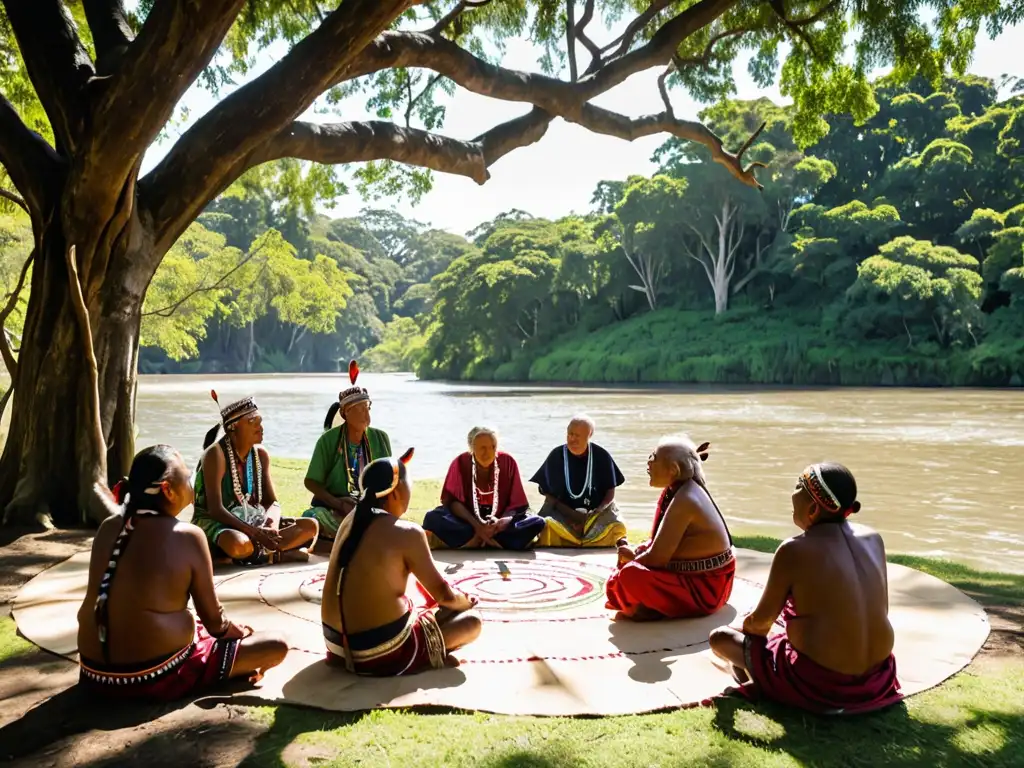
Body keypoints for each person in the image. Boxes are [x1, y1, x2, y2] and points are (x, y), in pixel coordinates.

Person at [76, 445, 288, 700]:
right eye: (187, 478)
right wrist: (240, 633)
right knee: (276, 645)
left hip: (94, 673)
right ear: (167, 489)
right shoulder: (189, 536)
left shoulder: (108, 528)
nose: (191, 483)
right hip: (151, 675)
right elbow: (215, 624)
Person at [708, 463, 902, 715]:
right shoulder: (873, 537)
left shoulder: (793, 549)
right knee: (785, 629)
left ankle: (763, 685)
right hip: (878, 677)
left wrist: (743, 625)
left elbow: (759, 624)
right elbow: (879, 609)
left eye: (799, 486)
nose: (793, 493)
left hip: (821, 684)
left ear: (813, 508)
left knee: (720, 638)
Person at [322, 448, 483, 675]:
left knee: (421, 604)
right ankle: (428, 656)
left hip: (336, 647)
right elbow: (444, 595)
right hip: (378, 653)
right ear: (396, 492)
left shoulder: (350, 520)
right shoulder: (408, 533)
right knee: (471, 622)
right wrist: (467, 600)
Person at [605, 437, 735, 621]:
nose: (649, 461)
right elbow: (658, 543)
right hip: (701, 580)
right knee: (632, 562)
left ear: (673, 469)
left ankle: (655, 609)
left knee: (628, 575)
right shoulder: (678, 491)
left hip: (707, 589)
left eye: (654, 457)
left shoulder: (686, 498)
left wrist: (632, 559)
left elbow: (657, 558)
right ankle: (651, 605)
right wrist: (638, 552)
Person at [193, 392, 318, 565]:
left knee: (310, 526)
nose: (260, 427)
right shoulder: (215, 455)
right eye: (252, 422)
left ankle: (259, 553)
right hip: (219, 523)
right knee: (238, 544)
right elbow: (215, 509)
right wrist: (256, 533)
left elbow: (272, 502)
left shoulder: (260, 454)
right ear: (233, 427)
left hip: (255, 522)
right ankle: (274, 554)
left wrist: (270, 527)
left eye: (260, 421)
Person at [302, 360, 392, 543]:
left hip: (370, 507)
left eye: (367, 408)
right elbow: (311, 482)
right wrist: (338, 503)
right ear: (344, 414)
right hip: (334, 508)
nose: (365, 415)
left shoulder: (380, 438)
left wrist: (370, 504)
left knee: (383, 524)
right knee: (314, 517)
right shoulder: (328, 441)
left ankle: (342, 541)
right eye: (358, 410)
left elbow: (390, 481)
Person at [422, 427, 546, 550]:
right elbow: (453, 501)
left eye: (493, 447)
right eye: (482, 448)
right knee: (432, 518)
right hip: (468, 521)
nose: (488, 453)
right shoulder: (460, 462)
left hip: (500, 522)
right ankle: (492, 541)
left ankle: (481, 540)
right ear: (471, 448)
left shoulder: (508, 462)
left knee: (537, 522)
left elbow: (516, 504)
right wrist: (477, 526)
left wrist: (500, 522)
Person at [532, 414, 628, 548]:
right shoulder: (557, 455)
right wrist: (572, 516)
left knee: (616, 526)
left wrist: (594, 514)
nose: (572, 439)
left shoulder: (601, 456)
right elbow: (548, 494)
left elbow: (610, 493)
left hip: (595, 514)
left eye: (577, 436)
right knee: (545, 525)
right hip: (561, 513)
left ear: (589, 436)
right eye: (570, 434)